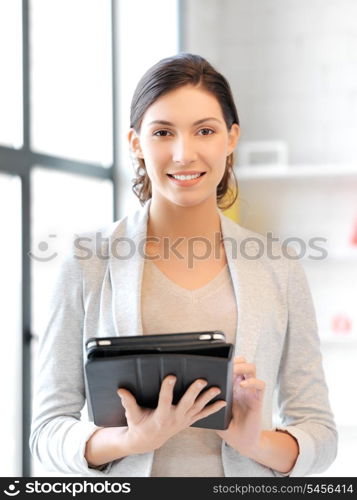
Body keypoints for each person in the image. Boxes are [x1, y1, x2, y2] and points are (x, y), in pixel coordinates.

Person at [29, 53, 337, 477]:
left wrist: (256, 441)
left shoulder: (278, 266)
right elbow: (47, 431)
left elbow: (319, 431)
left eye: (205, 131)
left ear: (230, 139)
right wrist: (132, 440)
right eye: (162, 132)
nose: (183, 154)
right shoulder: (88, 260)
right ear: (136, 143)